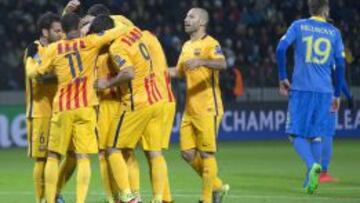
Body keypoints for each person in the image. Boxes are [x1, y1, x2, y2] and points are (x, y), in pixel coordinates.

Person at [27, 13, 128, 203]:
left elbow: (36, 73)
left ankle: (48, 200)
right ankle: (80, 201)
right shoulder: (90, 42)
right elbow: (121, 30)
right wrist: (116, 18)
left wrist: (30, 63)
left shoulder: (55, 49)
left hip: (63, 107)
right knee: (83, 158)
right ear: (79, 25)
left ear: (63, 30)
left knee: (53, 156)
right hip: (86, 107)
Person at [276, 0, 345, 194]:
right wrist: (338, 93)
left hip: (301, 89)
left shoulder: (298, 26)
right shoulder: (334, 32)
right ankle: (310, 180)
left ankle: (312, 164)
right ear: (325, 9)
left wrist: (282, 77)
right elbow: (340, 65)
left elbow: (281, 49)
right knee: (315, 135)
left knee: (294, 133)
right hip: (325, 91)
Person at [168, 7, 229, 203]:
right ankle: (218, 186)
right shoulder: (186, 46)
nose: (186, 19)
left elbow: (222, 64)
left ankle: (207, 199)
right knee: (187, 153)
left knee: (206, 153)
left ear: (202, 22)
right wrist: (156, 70)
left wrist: (201, 61)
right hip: (189, 109)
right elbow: (178, 72)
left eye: (191, 16)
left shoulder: (211, 43)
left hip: (209, 107)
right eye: (186, 16)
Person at [24, 12, 63, 203]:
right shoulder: (34, 48)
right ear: (45, 32)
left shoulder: (58, 49)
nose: (61, 34)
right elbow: (40, 76)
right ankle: (42, 200)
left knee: (57, 157)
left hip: (58, 111)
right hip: (40, 112)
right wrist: (64, 75)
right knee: (42, 159)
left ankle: (53, 195)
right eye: (57, 31)